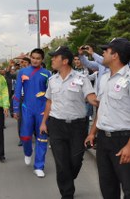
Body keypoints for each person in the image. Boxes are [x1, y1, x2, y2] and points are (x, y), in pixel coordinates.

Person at [40, 46, 97, 199]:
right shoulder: (52, 80)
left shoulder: (82, 79)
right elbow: (49, 102)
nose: (52, 59)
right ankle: (67, 194)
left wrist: (100, 102)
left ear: (65, 61)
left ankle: (67, 179)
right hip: (56, 125)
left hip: (78, 126)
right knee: (61, 162)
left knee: (75, 160)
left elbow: (91, 97)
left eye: (55, 57)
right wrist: (44, 122)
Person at [84, 38, 130, 199]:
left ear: (115, 55)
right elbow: (101, 108)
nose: (102, 53)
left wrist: (129, 146)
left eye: (106, 50)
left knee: (128, 187)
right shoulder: (104, 78)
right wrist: (92, 133)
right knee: (107, 187)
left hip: (123, 140)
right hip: (103, 140)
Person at [12, 48, 51, 178]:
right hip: (27, 108)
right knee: (25, 137)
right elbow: (17, 91)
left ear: (42, 60)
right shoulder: (22, 72)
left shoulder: (47, 74)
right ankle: (27, 152)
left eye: (38, 58)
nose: (35, 60)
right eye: (33, 57)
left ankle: (39, 166)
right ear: (30, 57)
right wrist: (16, 109)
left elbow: (50, 95)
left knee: (42, 138)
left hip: (42, 110)